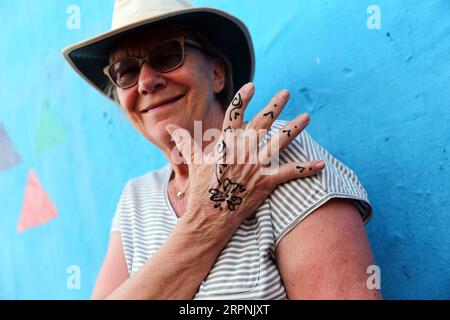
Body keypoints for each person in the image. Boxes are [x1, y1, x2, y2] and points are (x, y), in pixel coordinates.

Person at [62, 0, 380, 300]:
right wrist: (212, 217)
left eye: (167, 55)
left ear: (216, 74)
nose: (145, 81)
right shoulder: (137, 200)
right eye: (125, 71)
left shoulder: (274, 155)